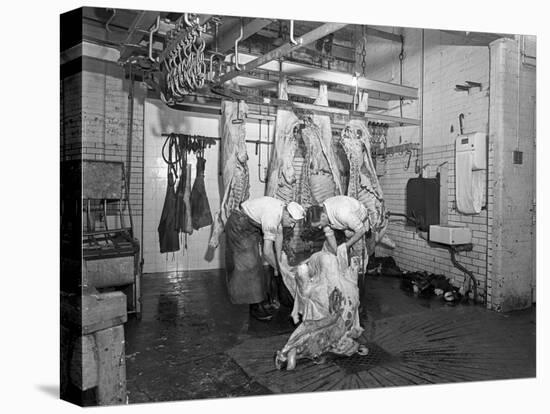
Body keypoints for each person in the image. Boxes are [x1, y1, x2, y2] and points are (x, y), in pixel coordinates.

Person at [224, 196, 305, 321]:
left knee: (256, 265)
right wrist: (282, 271)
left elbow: (279, 238)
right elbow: (267, 252)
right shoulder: (272, 217)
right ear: (287, 214)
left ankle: (259, 301)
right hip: (239, 225)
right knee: (250, 265)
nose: (292, 225)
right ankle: (255, 307)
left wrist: (279, 265)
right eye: (292, 221)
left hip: (249, 227)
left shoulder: (281, 211)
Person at [306, 195, 370, 256]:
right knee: (344, 250)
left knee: (357, 253)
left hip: (360, 220)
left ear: (323, 216)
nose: (320, 227)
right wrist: (336, 252)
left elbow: (361, 230)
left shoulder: (342, 214)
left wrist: (347, 245)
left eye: (319, 225)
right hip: (346, 224)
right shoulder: (323, 212)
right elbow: (330, 234)